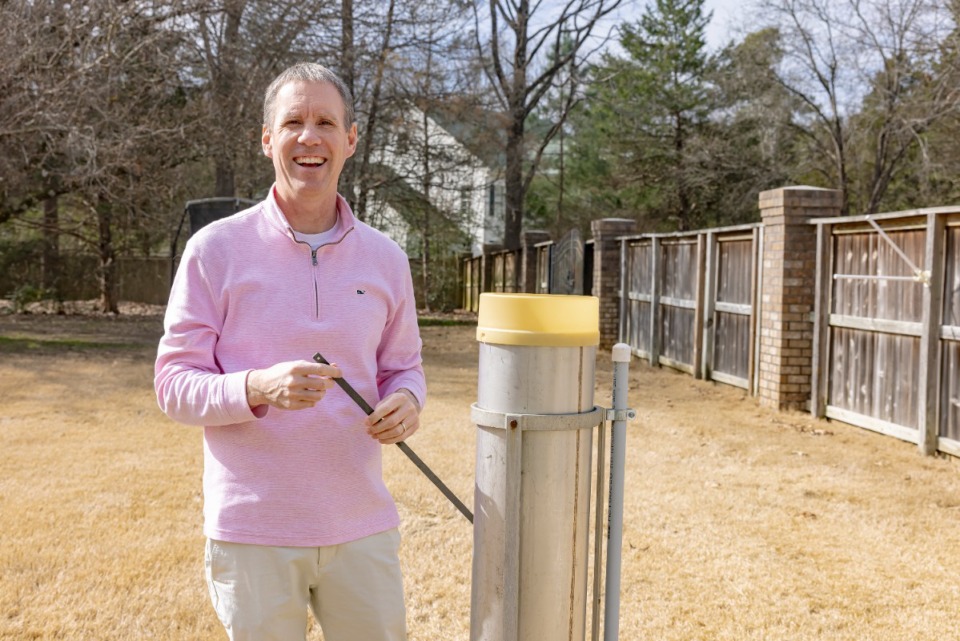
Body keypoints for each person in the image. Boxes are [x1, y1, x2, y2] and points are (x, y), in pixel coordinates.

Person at [155, 62, 426, 641]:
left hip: (361, 527)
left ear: (350, 140)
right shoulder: (214, 251)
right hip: (254, 530)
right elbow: (174, 385)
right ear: (266, 139)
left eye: (326, 121)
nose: (310, 136)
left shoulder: (387, 259)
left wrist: (407, 400)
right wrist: (257, 387)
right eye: (293, 121)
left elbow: (404, 368)